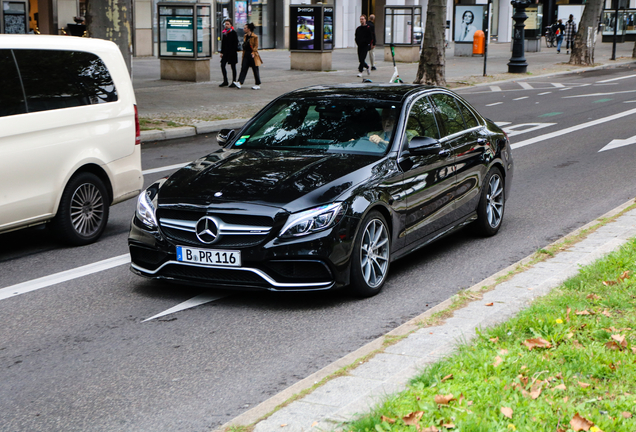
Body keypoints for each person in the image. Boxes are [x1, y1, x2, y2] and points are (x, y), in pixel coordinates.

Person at [233, 22, 263, 90]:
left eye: (245, 28)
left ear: (249, 29)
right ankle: (240, 82)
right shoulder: (245, 36)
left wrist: (253, 53)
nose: (244, 29)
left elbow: (256, 46)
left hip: (252, 54)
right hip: (246, 53)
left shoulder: (255, 36)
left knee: (255, 69)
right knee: (244, 68)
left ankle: (257, 83)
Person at [219, 19, 239, 87]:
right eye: (225, 24)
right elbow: (223, 43)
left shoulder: (233, 33)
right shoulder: (225, 33)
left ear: (231, 25)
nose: (226, 25)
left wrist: (233, 51)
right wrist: (221, 52)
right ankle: (225, 81)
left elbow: (235, 43)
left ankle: (234, 81)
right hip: (225, 53)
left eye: (227, 24)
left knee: (233, 67)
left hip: (232, 53)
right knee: (222, 65)